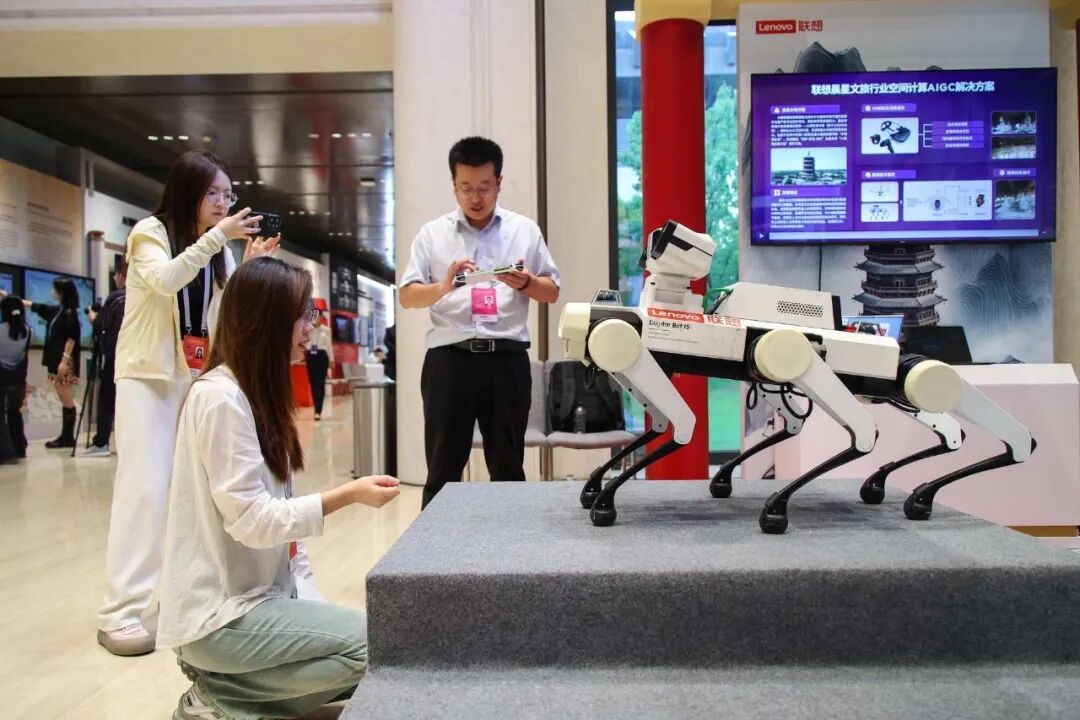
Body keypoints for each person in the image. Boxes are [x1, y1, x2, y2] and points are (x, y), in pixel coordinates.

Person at [158, 257, 400, 720]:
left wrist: (317, 618)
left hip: (257, 606)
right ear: (267, 320)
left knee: (379, 652)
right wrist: (347, 495)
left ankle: (231, 691)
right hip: (220, 617)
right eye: (304, 314)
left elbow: (290, 548)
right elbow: (252, 521)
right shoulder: (220, 398)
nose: (313, 326)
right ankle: (219, 699)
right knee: (381, 649)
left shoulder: (256, 395)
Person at [97, 149, 279, 657]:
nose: (223, 202)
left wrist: (249, 266)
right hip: (148, 377)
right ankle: (120, 612)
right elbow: (165, 279)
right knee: (144, 491)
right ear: (188, 192)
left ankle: (174, 598)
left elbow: (226, 311)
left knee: (188, 493)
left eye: (227, 194)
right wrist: (218, 237)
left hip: (193, 378)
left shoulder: (217, 251)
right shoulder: (149, 233)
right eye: (213, 193)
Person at [399, 136, 560, 509]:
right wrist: (443, 286)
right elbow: (407, 297)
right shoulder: (432, 234)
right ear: (453, 185)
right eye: (466, 188)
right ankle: (436, 547)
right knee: (443, 468)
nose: (475, 197)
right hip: (449, 361)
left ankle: (509, 543)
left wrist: (526, 283)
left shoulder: (524, 230)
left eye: (484, 187)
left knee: (508, 467)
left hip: (507, 360)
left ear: (499, 183)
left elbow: (551, 291)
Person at [79, 262, 127, 458]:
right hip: (135, 358)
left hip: (114, 357)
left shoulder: (116, 298)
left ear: (122, 276)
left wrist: (92, 315)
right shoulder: (142, 296)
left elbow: (100, 324)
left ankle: (101, 442)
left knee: (106, 399)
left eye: (116, 275)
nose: (115, 278)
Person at [0, 295, 30, 463]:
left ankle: (6, 453)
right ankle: (19, 448)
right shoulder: (27, 331)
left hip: (1, 378)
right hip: (18, 380)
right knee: (14, 413)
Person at [305, 306, 331, 421]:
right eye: (313, 315)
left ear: (321, 317)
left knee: (320, 383)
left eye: (317, 315)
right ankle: (316, 407)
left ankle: (318, 411)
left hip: (322, 356)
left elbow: (329, 345)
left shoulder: (326, 330)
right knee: (313, 383)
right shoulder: (308, 329)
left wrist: (331, 359)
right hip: (311, 356)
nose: (315, 317)